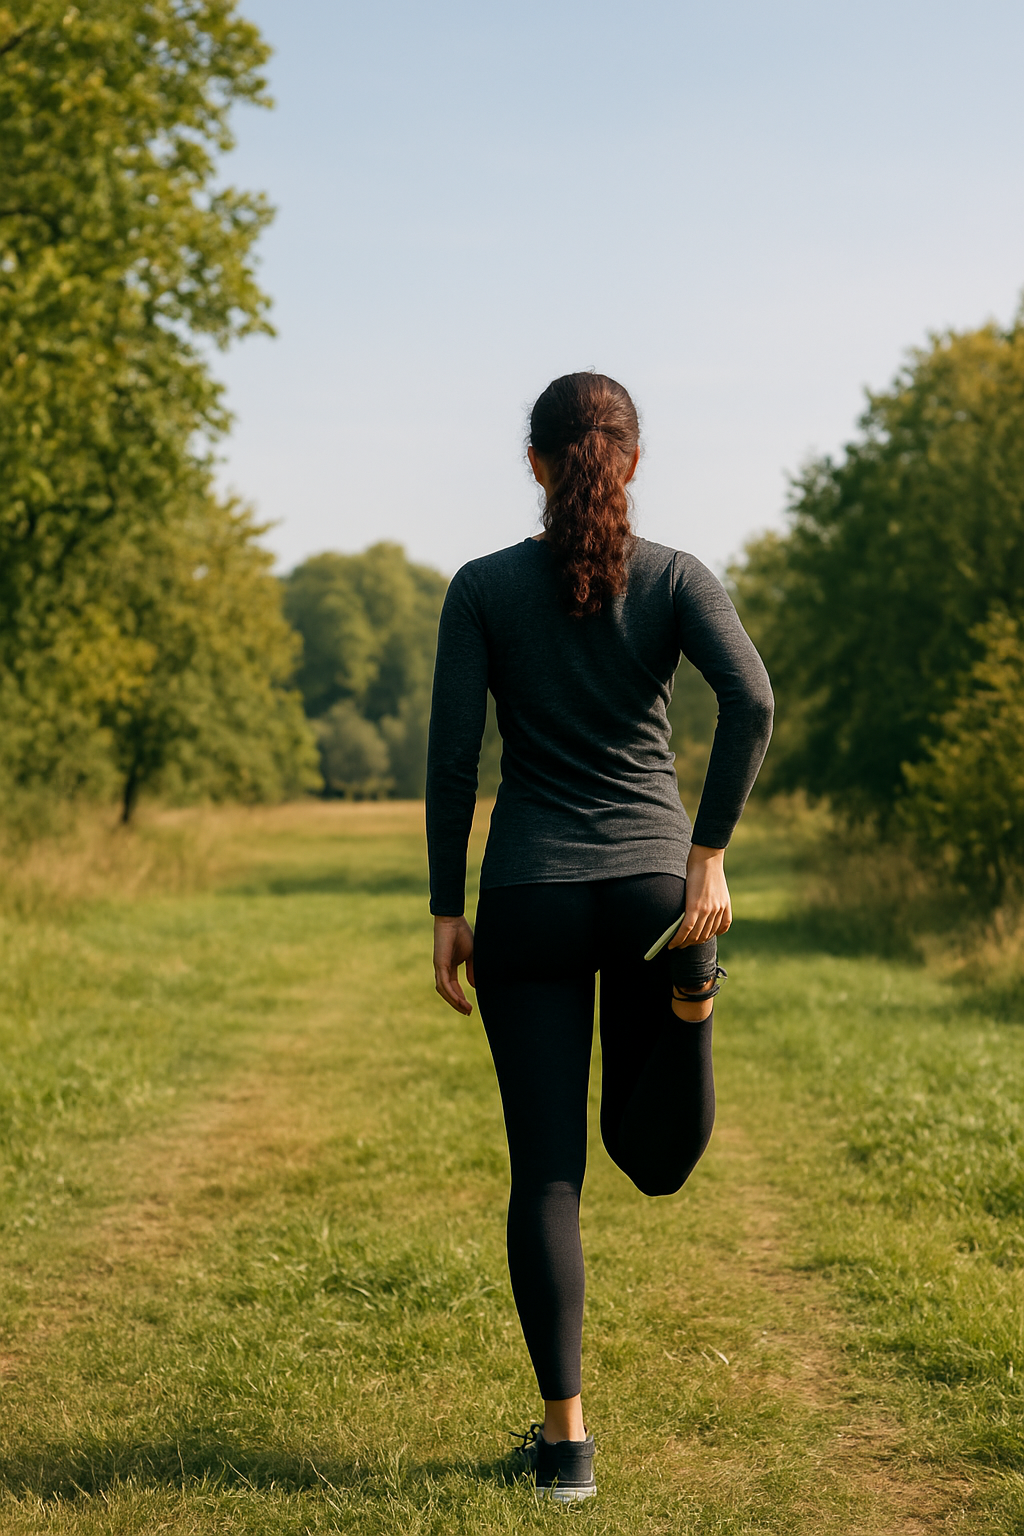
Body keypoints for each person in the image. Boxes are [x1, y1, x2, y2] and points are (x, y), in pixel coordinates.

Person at [425, 372, 773, 1502]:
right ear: (630, 460)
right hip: (646, 890)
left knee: (548, 1175)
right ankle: (694, 996)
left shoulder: (481, 588)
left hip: (526, 893)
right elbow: (752, 702)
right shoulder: (675, 577)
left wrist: (446, 907)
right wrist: (706, 852)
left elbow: (450, 762)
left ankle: (565, 1443)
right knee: (655, 1160)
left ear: (536, 464)